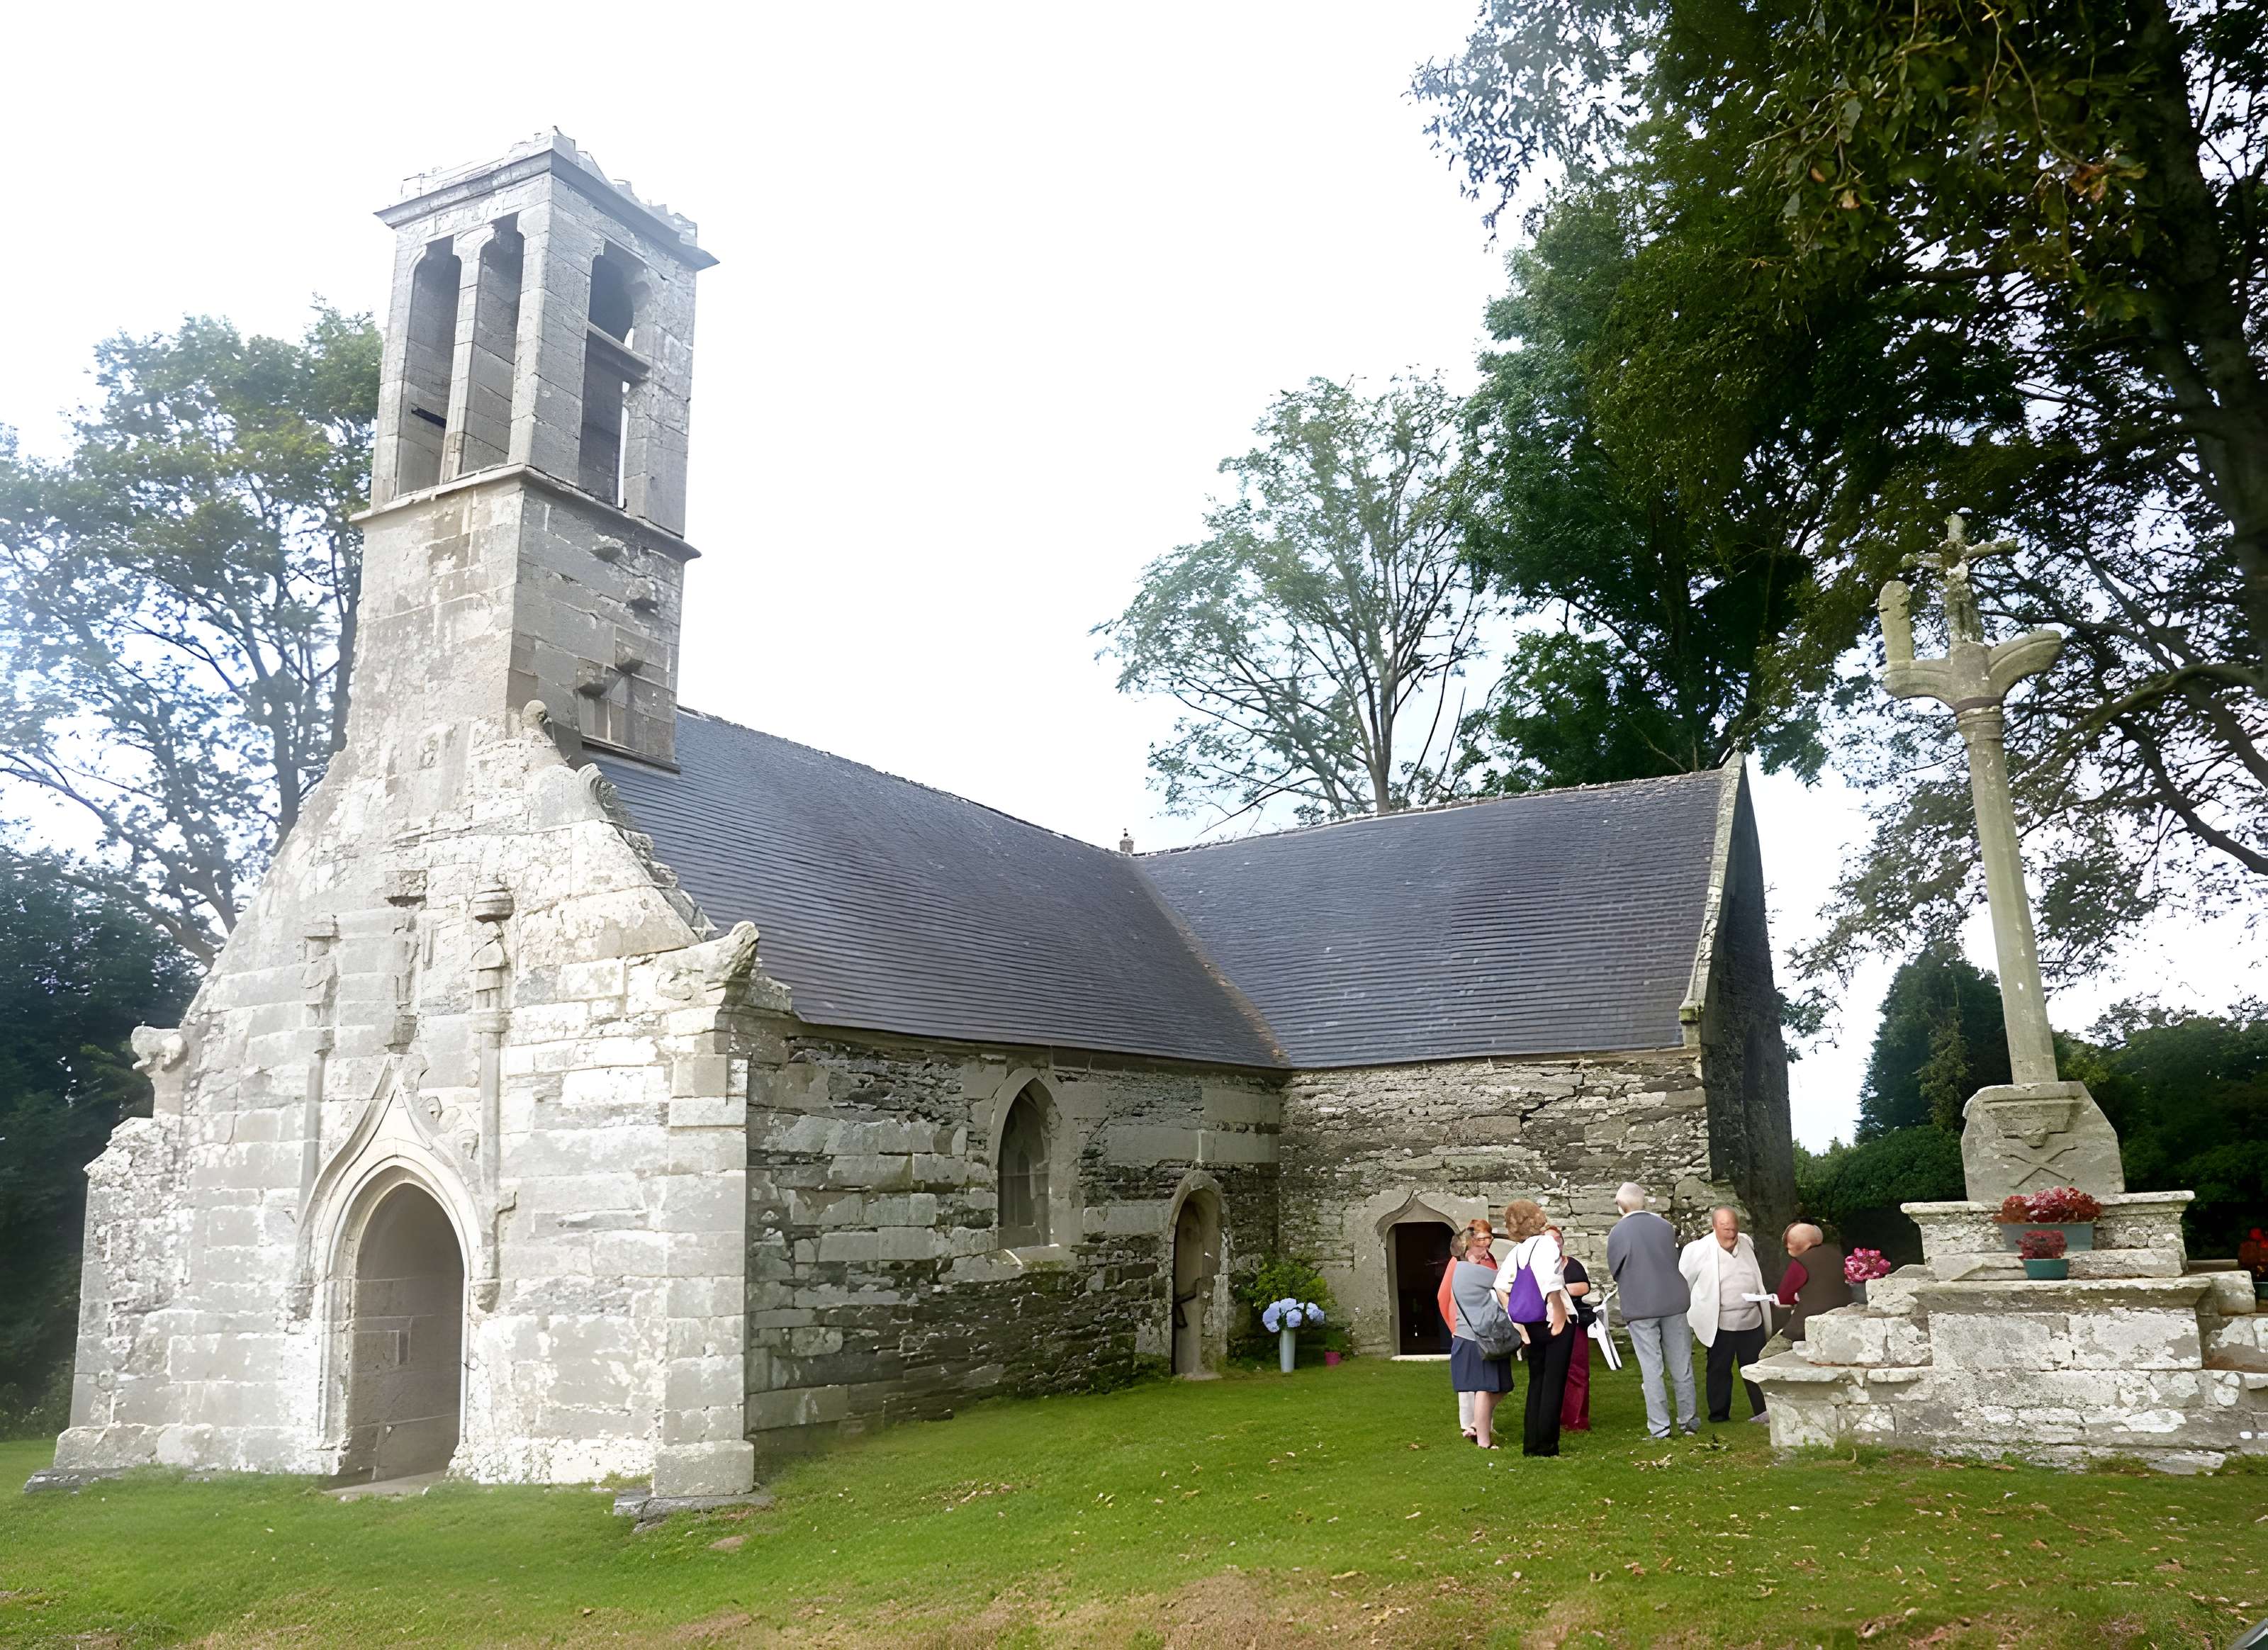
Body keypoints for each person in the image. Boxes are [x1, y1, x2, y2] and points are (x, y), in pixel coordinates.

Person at [1606, 1183, 1697, 1439]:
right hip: (1674, 1301)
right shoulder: (1665, 1227)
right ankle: (1688, 1421)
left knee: (1652, 1367)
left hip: (1641, 1304)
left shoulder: (1618, 1231)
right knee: (1682, 1364)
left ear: (1621, 1205)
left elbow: (1615, 1268)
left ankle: (1660, 1427)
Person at [1495, 1199, 1574, 1456]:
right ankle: (1547, 1446)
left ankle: (1532, 1443)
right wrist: (1559, 1314)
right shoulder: (1546, 1243)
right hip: (1552, 1319)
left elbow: (1500, 1287)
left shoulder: (1518, 1250)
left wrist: (1517, 1321)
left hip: (1531, 1323)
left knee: (1537, 1381)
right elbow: (1550, 1281)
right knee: (1554, 1381)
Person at [1680, 1205, 1770, 1424]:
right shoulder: (1697, 1250)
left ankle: (1763, 1411)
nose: (1731, 1233)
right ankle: (1719, 1415)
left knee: (1755, 1367)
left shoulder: (1746, 1242)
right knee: (1719, 1369)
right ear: (1714, 1227)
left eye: (1734, 1228)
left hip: (1751, 1319)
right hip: (1719, 1321)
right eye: (1725, 1228)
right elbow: (1685, 1282)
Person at [1447, 1225, 1515, 1448]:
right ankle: (1484, 1442)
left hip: (1472, 1338)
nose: (1485, 1250)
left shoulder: (1462, 1270)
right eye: (1479, 1247)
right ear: (1468, 1251)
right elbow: (1507, 1279)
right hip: (1476, 1339)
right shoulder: (1471, 1270)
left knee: (1501, 1386)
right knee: (1486, 1389)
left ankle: (1477, 1425)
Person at [1435, 1223, 1498, 1438]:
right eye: (1481, 1239)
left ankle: (1484, 1425)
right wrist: (1452, 1325)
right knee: (1468, 1379)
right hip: (1464, 1326)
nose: (1486, 1243)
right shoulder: (1458, 1263)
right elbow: (1443, 1295)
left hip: (1486, 1325)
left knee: (1488, 1379)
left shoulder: (1490, 1261)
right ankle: (1468, 1424)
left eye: (1488, 1238)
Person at [1546, 1224, 1593, 1432]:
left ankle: (1577, 1420)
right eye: (1549, 1240)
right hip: (1549, 1323)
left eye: (1557, 1239)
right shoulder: (1540, 1266)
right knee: (1553, 1371)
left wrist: (1560, 1290)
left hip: (1574, 1322)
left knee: (1577, 1371)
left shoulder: (1571, 1265)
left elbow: (1584, 1287)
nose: (1554, 1243)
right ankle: (1555, 1416)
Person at [1773, 1222, 1851, 1345]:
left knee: (1774, 1348)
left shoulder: (1801, 1262)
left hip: (1809, 1324)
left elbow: (1784, 1297)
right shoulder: (1836, 1254)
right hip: (1842, 1316)